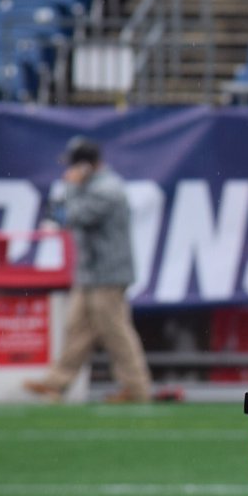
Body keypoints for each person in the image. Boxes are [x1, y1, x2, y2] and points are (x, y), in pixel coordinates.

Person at [24, 136, 152, 404]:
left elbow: (68, 216)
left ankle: (137, 388)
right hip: (89, 273)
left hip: (108, 273)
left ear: (87, 166)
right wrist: (70, 190)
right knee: (77, 330)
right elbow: (54, 214)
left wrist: (69, 188)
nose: (68, 171)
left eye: (73, 166)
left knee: (116, 332)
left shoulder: (107, 189)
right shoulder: (89, 187)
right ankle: (56, 383)